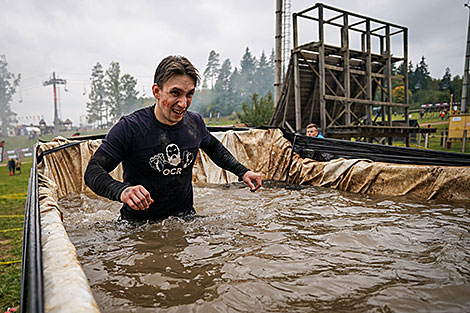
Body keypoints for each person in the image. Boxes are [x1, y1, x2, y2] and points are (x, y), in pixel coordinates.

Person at [84, 55, 262, 222]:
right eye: (175, 93)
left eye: (189, 94)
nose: (183, 103)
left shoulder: (194, 123)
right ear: (156, 91)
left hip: (185, 220)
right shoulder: (130, 127)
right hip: (138, 227)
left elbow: (214, 148)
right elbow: (93, 171)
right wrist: (122, 191)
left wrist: (243, 171)